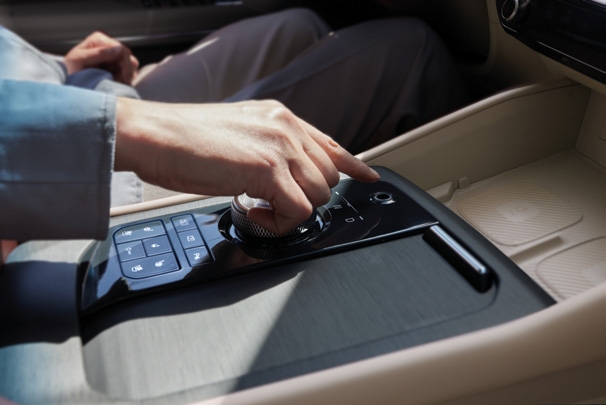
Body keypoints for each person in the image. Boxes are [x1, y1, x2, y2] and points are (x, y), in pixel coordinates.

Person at [0, 5, 468, 241]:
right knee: (411, 53)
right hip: (59, 160)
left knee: (299, 25)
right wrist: (138, 131)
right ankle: (459, 215)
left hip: (54, 88)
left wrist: (55, 67)